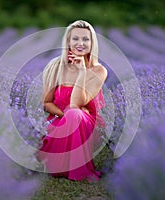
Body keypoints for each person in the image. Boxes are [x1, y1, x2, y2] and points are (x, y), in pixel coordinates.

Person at [36, 20, 107, 182]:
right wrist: (64, 116)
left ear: (92, 43)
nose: (80, 43)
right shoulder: (55, 66)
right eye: (75, 39)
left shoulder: (99, 71)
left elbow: (76, 104)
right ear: (68, 41)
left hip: (85, 124)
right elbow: (47, 104)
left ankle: (77, 170)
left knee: (75, 113)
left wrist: (82, 71)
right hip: (58, 122)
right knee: (71, 115)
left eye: (85, 39)